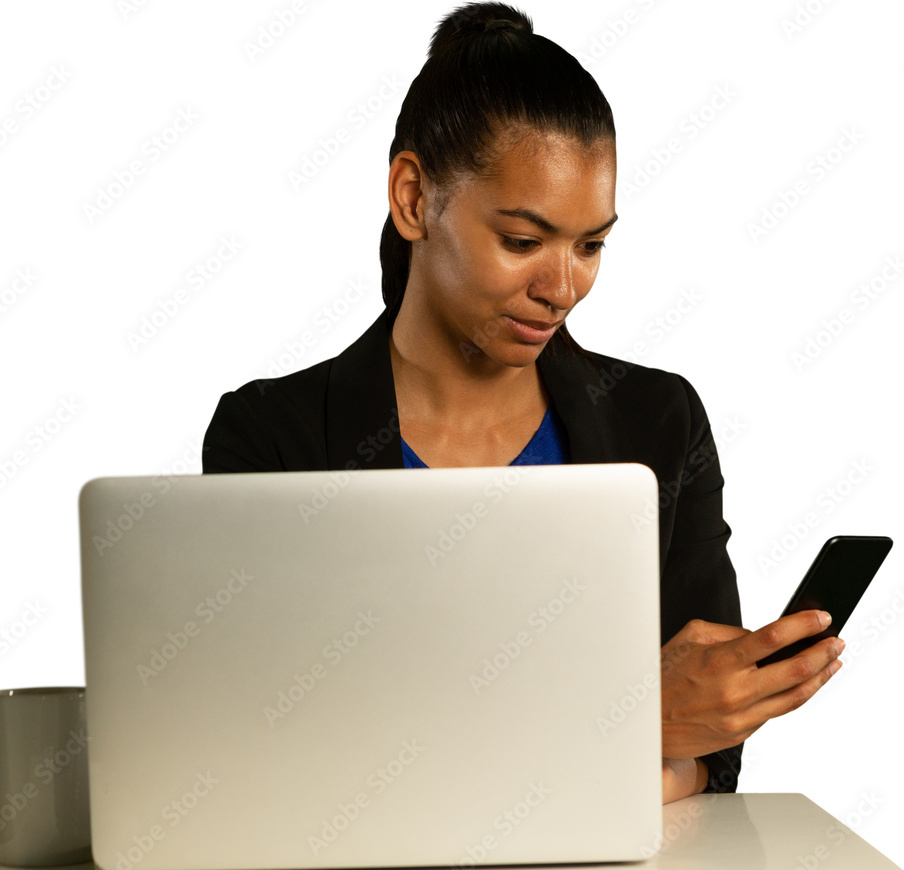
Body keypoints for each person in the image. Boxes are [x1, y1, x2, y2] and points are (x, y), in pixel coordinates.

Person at [203, 1, 845, 804]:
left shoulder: (659, 420)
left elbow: (708, 757)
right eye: (521, 241)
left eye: (591, 245)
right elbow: (277, 756)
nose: (561, 288)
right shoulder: (271, 436)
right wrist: (624, 726)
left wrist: (654, 734)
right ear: (412, 198)